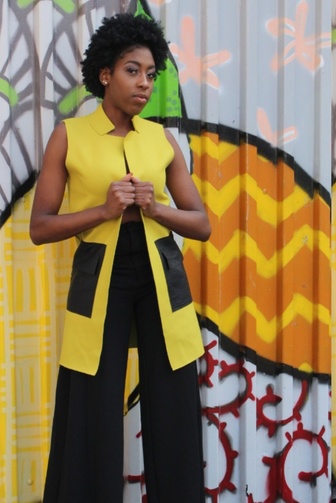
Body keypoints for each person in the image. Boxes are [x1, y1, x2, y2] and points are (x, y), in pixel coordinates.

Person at [30, 13, 210, 502]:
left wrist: (156, 208)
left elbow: (202, 224)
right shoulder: (69, 135)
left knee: (173, 400)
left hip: (161, 272)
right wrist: (103, 211)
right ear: (105, 74)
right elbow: (40, 227)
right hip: (99, 272)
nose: (144, 83)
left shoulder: (160, 139)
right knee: (92, 399)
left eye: (151, 73)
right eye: (133, 71)